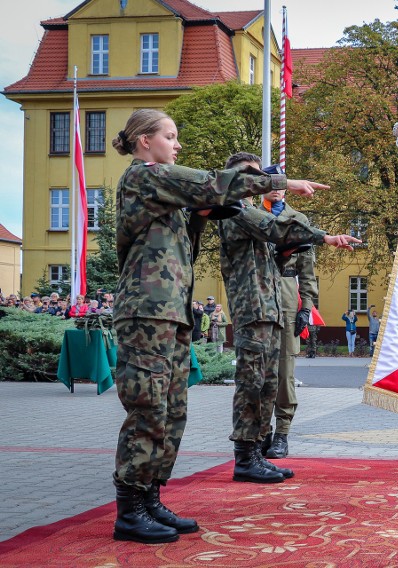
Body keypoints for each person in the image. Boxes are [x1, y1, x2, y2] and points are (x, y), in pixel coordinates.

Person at [109, 108, 328, 544]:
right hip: (145, 312)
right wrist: (281, 182)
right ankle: (130, 509)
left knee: (172, 410)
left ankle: (151, 498)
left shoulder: (164, 192)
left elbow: (213, 203)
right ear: (143, 141)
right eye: (170, 136)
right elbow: (211, 182)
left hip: (171, 313)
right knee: (148, 407)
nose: (177, 144)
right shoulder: (144, 176)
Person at [215, 152, 355, 485]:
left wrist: (304, 302)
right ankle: (246, 455)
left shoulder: (245, 208)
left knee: (267, 382)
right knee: (252, 382)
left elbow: (286, 248)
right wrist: (324, 237)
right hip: (251, 307)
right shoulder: (234, 208)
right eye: (248, 175)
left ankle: (259, 448)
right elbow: (275, 228)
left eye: (256, 174)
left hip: (270, 306)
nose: (254, 180)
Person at [257, 159, 356, 462]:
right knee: (259, 368)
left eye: (280, 182)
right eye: (269, 181)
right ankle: (260, 431)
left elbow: (307, 272)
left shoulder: (297, 219)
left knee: (285, 370)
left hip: (286, 296)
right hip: (257, 294)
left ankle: (282, 433)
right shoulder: (249, 213)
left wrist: (307, 307)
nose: (276, 189)